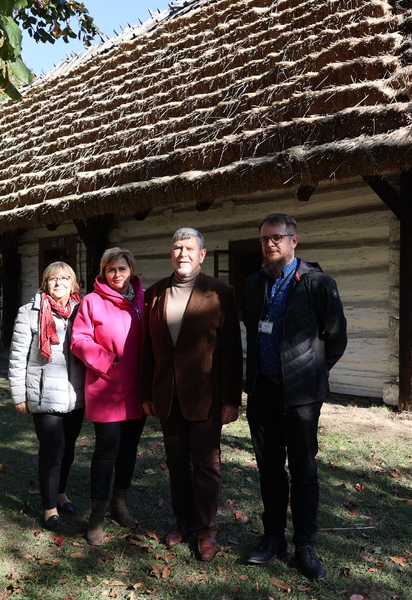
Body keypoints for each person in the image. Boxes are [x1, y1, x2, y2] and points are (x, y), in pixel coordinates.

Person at [241, 213, 347, 580]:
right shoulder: (254, 283)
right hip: (262, 392)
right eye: (264, 239)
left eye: (277, 237)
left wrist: (311, 374)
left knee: (303, 471)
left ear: (293, 241)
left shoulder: (317, 282)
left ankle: (305, 545)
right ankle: (273, 538)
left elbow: (336, 337)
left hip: (301, 396)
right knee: (270, 469)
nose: (270, 244)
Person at [140, 228, 243, 561]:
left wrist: (231, 399)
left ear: (202, 254)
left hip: (206, 396)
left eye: (189, 248)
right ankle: (183, 523)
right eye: (177, 248)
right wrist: (147, 391)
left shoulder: (220, 292)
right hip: (166, 395)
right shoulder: (155, 293)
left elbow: (232, 350)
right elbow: (148, 348)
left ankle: (206, 530)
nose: (182, 254)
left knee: (206, 465)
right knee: (176, 463)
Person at [71, 248, 146, 545]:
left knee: (129, 448)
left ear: (131, 271)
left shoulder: (144, 299)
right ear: (103, 271)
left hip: (137, 387)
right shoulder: (91, 301)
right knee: (106, 450)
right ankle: (97, 513)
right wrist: (106, 360)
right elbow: (79, 339)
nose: (117, 274)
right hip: (106, 386)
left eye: (122, 269)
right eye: (111, 269)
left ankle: (120, 503)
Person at [8, 261, 86, 532]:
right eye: (53, 278)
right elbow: (17, 357)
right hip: (44, 395)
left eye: (65, 278)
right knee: (52, 452)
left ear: (73, 283)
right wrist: (19, 395)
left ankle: (61, 493)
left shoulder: (82, 311)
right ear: (45, 283)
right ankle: (49, 508)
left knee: (69, 450)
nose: (58, 283)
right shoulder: (29, 312)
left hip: (75, 393)